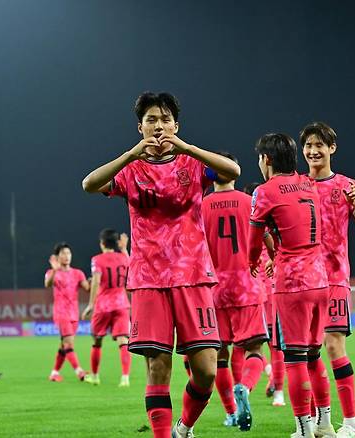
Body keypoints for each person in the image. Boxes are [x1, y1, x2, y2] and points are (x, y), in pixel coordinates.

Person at [82, 91, 240, 438]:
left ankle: (184, 427)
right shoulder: (130, 170)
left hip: (193, 276)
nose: (158, 126)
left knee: (207, 371)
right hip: (148, 279)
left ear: (176, 126)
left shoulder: (193, 164)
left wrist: (187, 148)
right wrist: (130, 155)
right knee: (158, 367)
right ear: (140, 127)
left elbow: (233, 170)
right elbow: (89, 184)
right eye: (151, 120)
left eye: (165, 119)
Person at [248, 133, 331, 438]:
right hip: (320, 280)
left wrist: (251, 262)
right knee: (314, 356)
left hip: (292, 283)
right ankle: (325, 424)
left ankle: (303, 429)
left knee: (294, 360)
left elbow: (253, 241)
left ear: (266, 159)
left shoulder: (264, 191)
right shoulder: (308, 184)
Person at [300, 122, 355, 438]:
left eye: (319, 145)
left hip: (334, 278)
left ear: (332, 148)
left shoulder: (347, 185)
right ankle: (319, 422)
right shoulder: (297, 186)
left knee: (333, 346)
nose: (313, 151)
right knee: (307, 352)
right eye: (308, 145)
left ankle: (351, 424)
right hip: (302, 281)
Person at [201, 152, 270, 431]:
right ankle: (246, 388)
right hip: (247, 286)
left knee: (220, 355)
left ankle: (231, 412)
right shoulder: (249, 202)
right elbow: (265, 239)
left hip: (214, 290)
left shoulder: (200, 206)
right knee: (254, 349)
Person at [243, 182, 286, 408]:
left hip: (251, 289)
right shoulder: (271, 221)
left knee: (249, 346)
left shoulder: (247, 223)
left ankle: (245, 390)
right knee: (274, 345)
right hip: (269, 287)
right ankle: (277, 391)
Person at [82, 230, 132, 387]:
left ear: (102, 243)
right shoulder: (123, 258)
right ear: (116, 243)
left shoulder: (97, 260)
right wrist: (124, 249)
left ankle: (95, 376)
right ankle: (125, 378)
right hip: (121, 303)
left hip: (103, 305)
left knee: (97, 341)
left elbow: (96, 282)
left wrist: (91, 304)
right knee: (123, 341)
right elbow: (131, 271)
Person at [45, 242, 90, 382]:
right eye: (63, 253)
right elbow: (47, 284)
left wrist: (93, 280)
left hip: (74, 314)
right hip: (61, 313)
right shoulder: (52, 272)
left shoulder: (78, 273)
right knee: (69, 344)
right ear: (57, 257)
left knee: (64, 345)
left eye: (68, 253)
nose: (66, 256)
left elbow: (87, 288)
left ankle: (54, 373)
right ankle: (80, 372)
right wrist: (54, 270)